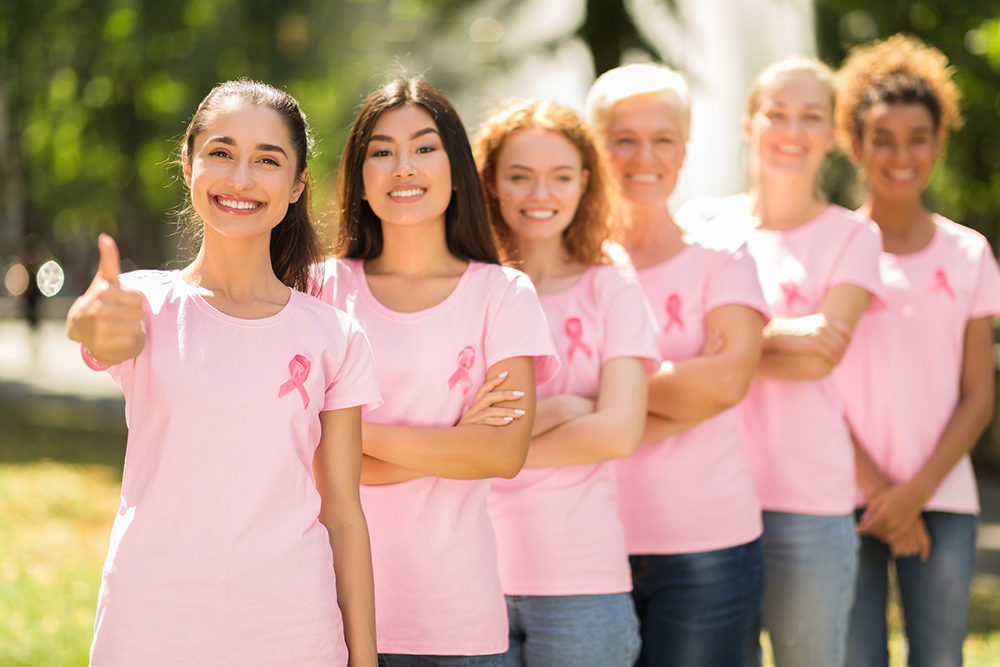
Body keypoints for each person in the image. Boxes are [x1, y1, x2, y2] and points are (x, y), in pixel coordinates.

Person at [66, 80, 381, 666]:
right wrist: (91, 322)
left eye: (267, 160)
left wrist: (364, 660)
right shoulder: (141, 304)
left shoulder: (334, 337)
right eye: (221, 152)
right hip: (149, 629)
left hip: (294, 633)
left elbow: (343, 514)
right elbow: (107, 335)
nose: (240, 178)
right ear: (189, 165)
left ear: (296, 186)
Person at [316, 77, 560, 667]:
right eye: (382, 151)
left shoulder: (502, 294)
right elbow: (296, 457)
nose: (404, 166)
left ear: (456, 170)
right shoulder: (318, 288)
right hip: (323, 614)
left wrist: (342, 434)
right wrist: (454, 443)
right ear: (360, 178)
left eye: (425, 147)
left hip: (456, 623)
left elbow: (501, 454)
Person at [677, 58, 885, 667]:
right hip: (711, 497)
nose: (792, 129)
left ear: (832, 136)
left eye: (811, 116)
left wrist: (729, 344)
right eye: (777, 113)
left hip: (809, 504)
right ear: (748, 125)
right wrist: (773, 341)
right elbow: (677, 344)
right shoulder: (700, 225)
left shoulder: (853, 236)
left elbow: (824, 350)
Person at [587, 62, 769, 667]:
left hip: (706, 548)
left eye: (662, 138)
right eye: (624, 138)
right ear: (595, 147)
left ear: (685, 149)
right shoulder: (566, 267)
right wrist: (675, 390)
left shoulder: (723, 257)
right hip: (581, 548)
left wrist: (599, 404)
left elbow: (726, 382)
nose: (644, 155)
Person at [833, 34, 1000, 667]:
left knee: (940, 659)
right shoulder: (833, 247)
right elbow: (817, 387)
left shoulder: (967, 253)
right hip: (844, 499)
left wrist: (915, 493)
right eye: (883, 138)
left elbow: (980, 394)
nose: (901, 155)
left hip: (945, 499)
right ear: (855, 144)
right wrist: (881, 491)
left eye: (918, 137)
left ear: (939, 142)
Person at [473, 100, 658, 667]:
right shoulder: (469, 288)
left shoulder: (612, 287)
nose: (540, 194)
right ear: (491, 184)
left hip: (583, 583)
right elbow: (446, 426)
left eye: (558, 177)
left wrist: (482, 450)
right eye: (520, 177)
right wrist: (567, 409)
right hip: (470, 576)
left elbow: (618, 434)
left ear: (584, 182)